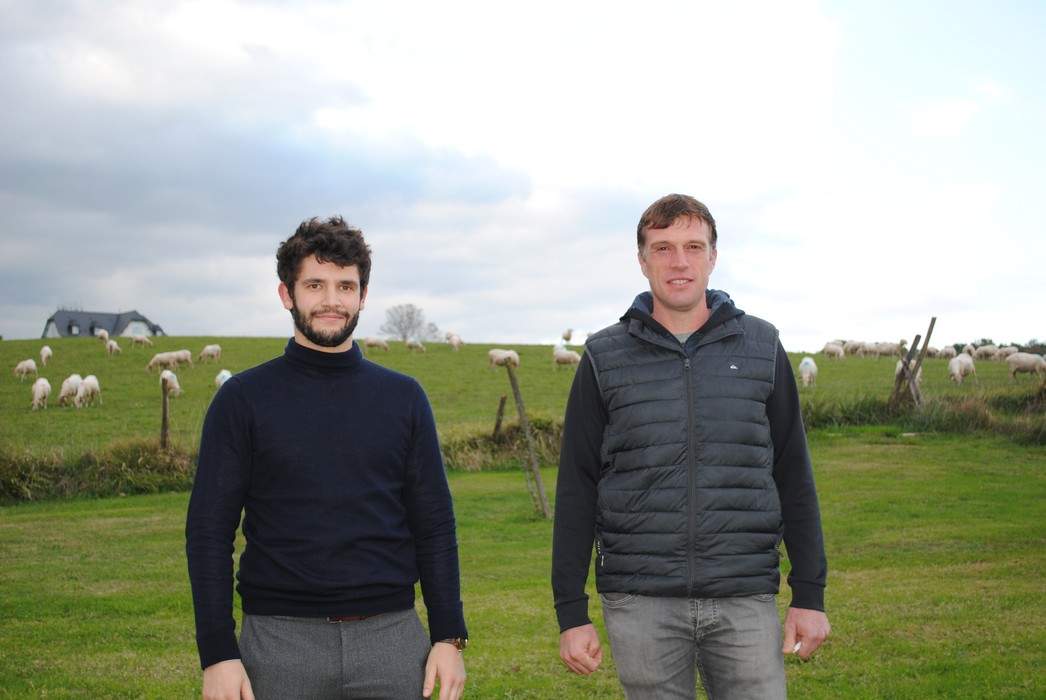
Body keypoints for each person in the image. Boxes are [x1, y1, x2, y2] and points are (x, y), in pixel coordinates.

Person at [552, 194, 829, 699]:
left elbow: (793, 474)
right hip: (640, 601)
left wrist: (809, 593)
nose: (679, 261)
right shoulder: (602, 357)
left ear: (713, 257)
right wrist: (571, 611)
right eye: (662, 248)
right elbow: (577, 486)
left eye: (693, 247)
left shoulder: (762, 346)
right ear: (642, 260)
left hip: (745, 596)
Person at [186, 216, 467, 700]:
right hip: (278, 644)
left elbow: (435, 524)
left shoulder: (404, 398)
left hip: (392, 641)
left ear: (363, 296)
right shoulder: (242, 400)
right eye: (315, 285)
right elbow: (209, 532)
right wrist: (217, 653)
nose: (332, 300)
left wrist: (448, 635)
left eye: (345, 286)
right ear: (287, 294)